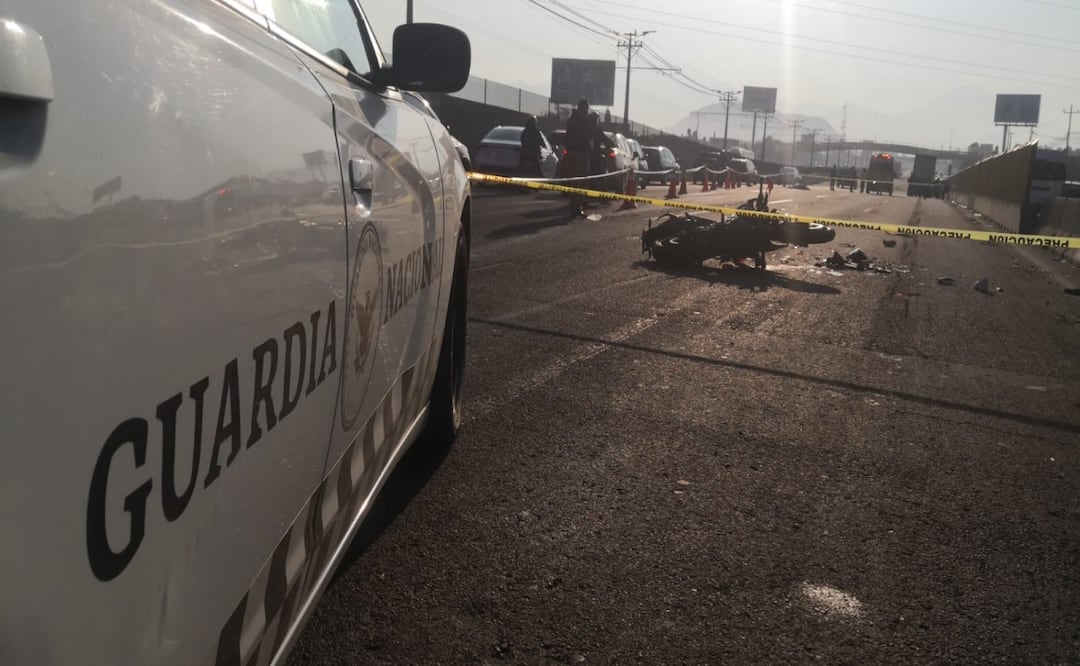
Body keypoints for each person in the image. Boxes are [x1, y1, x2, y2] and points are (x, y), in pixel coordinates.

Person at [564, 98, 592, 216]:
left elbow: (567, 136)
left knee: (575, 181)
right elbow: (589, 135)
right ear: (584, 108)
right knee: (582, 181)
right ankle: (577, 206)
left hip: (572, 153)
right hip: (581, 153)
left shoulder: (571, 119)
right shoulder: (584, 120)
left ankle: (574, 205)